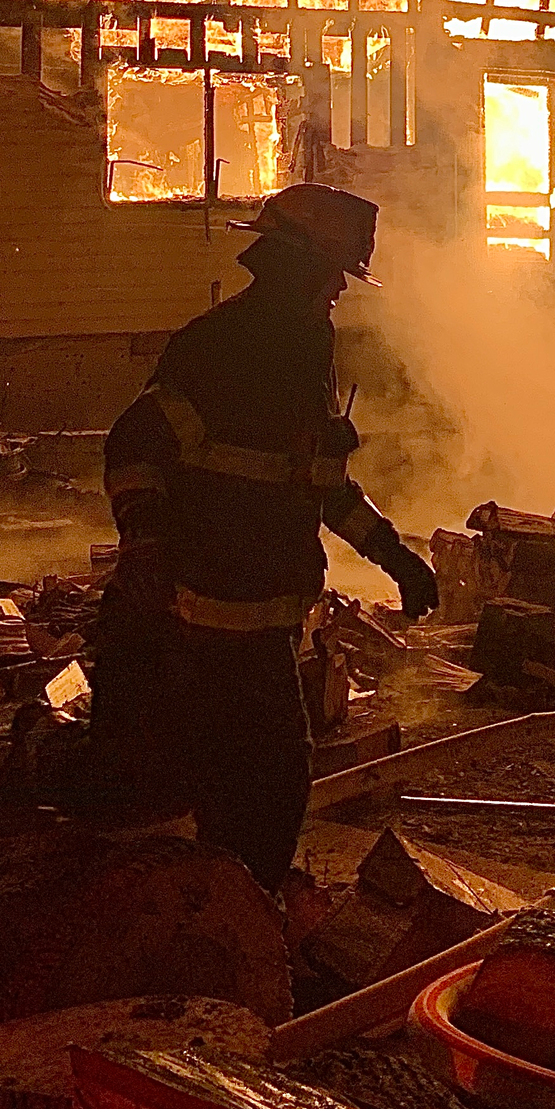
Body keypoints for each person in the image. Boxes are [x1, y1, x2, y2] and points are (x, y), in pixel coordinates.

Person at [93, 182, 438, 892]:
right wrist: (147, 547)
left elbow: (317, 483)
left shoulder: (300, 352)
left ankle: (227, 912)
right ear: (293, 270)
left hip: (262, 624)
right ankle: (223, 928)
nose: (338, 294)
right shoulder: (222, 347)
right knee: (252, 792)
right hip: (200, 624)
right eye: (332, 278)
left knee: (247, 795)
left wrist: (394, 556)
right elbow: (135, 447)